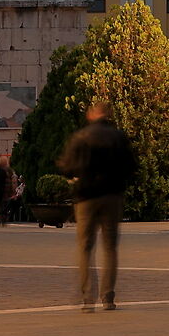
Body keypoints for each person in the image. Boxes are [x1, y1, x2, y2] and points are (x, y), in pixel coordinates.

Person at [57, 99, 135, 311]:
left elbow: (66, 164)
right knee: (110, 247)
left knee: (85, 246)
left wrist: (76, 177)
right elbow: (131, 165)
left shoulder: (80, 137)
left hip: (86, 197)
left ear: (92, 115)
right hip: (112, 195)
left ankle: (87, 297)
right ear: (108, 115)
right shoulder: (119, 137)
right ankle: (108, 297)